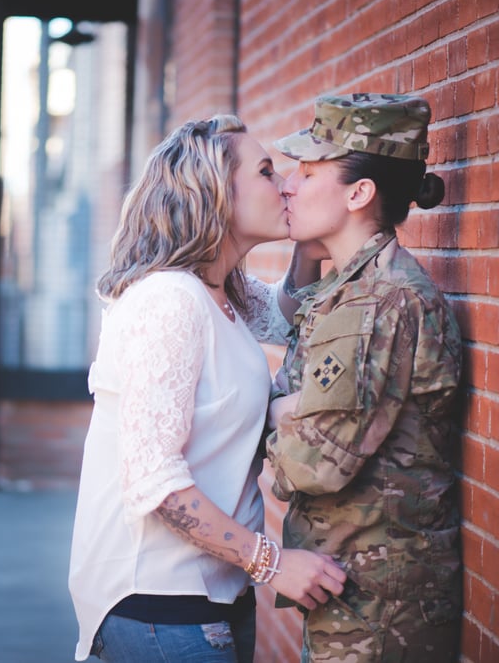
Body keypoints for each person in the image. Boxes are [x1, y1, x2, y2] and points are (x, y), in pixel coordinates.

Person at [69, 114, 347, 663]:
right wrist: (272, 562)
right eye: (267, 172)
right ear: (218, 193)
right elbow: (153, 479)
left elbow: (283, 313)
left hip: (207, 601)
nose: (286, 184)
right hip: (159, 610)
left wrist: (312, 249)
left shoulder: (220, 293)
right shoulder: (171, 301)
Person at [264, 93, 464, 662]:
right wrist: (286, 410)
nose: (288, 185)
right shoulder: (347, 291)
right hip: (355, 597)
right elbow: (290, 401)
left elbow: (310, 465)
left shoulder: (382, 302)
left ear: (359, 193)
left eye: (308, 173)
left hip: (381, 618)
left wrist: (274, 413)